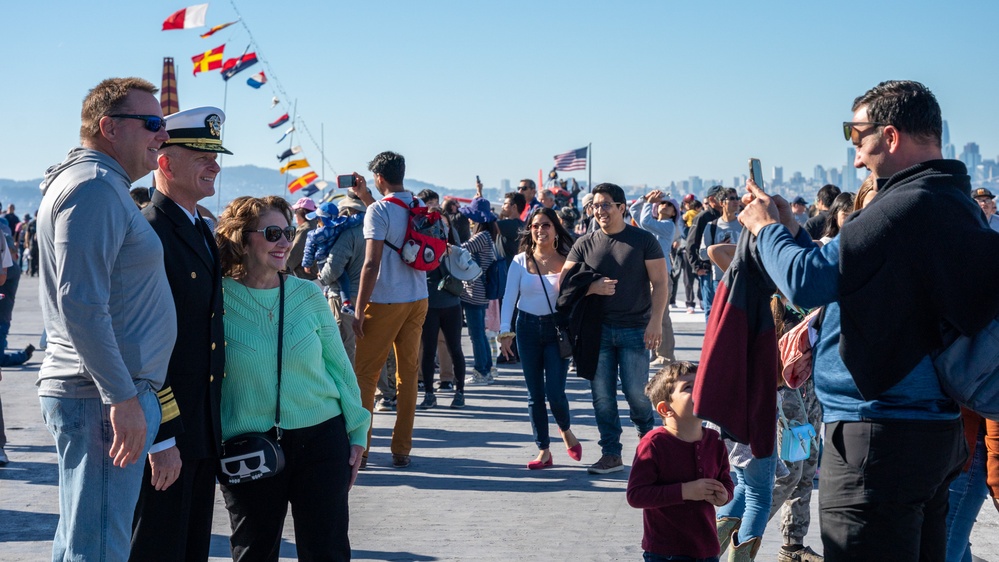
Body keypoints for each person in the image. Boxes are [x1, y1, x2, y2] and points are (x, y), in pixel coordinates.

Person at [739, 79, 999, 560]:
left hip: (877, 438)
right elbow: (854, 276)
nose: (856, 156)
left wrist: (765, 229)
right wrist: (793, 231)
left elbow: (806, 281)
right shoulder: (953, 203)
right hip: (928, 434)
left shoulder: (907, 203)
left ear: (891, 136)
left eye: (856, 136)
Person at [37, 77, 176, 561]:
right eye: (153, 124)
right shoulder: (95, 188)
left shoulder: (98, 184)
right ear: (109, 128)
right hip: (99, 396)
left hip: (100, 394)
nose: (162, 135)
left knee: (84, 539)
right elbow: (81, 303)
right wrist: (121, 398)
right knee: (97, 547)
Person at [214, 195, 369, 561]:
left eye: (288, 232)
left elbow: (340, 370)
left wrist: (358, 432)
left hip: (321, 439)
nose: (285, 242)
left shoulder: (308, 294)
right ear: (241, 238)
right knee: (253, 551)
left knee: (327, 551)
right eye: (272, 233)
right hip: (248, 446)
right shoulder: (215, 299)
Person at [129, 106, 230, 561]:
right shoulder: (150, 231)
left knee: (190, 550)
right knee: (156, 547)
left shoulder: (199, 228)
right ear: (165, 162)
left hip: (201, 429)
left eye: (216, 155)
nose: (215, 165)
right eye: (201, 155)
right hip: (168, 429)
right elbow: (142, 344)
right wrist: (163, 437)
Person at [561, 183, 668, 475]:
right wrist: (591, 287)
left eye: (606, 204)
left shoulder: (643, 240)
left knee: (637, 394)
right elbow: (564, 283)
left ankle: (650, 445)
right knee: (602, 396)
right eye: (595, 206)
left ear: (622, 207)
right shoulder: (584, 243)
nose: (600, 211)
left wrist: (656, 321)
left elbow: (660, 283)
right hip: (596, 332)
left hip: (635, 329)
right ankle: (611, 453)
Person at [351, 151, 429, 469]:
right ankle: (402, 449)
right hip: (418, 297)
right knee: (407, 375)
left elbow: (371, 264)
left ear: (379, 178)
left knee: (366, 375)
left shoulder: (379, 211)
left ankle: (362, 450)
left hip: (385, 301)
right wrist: (365, 196)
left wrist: (358, 308)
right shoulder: (420, 206)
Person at [499, 207, 581, 469]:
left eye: (546, 225)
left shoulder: (569, 259)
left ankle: (566, 431)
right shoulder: (520, 261)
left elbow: (577, 297)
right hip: (527, 328)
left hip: (556, 331)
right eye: (535, 226)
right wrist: (504, 332)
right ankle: (543, 450)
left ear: (556, 230)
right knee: (535, 394)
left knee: (555, 392)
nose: (540, 230)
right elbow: (509, 298)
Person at [627, 361, 733, 562]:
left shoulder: (715, 440)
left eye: (700, 383)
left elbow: (726, 480)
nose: (699, 390)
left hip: (708, 549)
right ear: (666, 409)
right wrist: (685, 491)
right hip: (666, 552)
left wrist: (723, 495)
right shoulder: (653, 444)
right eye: (688, 387)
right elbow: (636, 495)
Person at [630, 190, 680, 365]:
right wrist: (644, 199)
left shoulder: (668, 226)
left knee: (662, 316)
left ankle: (665, 355)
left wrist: (651, 202)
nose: (664, 206)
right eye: (662, 203)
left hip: (662, 275)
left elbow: (643, 220)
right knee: (650, 315)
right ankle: (656, 352)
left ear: (674, 213)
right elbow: (634, 212)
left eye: (669, 205)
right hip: (647, 274)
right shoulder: (652, 226)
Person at [458, 197, 499, 385]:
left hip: (475, 290)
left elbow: (460, 251)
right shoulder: (489, 236)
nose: (469, 220)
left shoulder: (480, 237)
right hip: (481, 290)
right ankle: (487, 369)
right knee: (480, 334)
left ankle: (481, 371)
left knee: (476, 335)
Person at [685, 185, 724, 320]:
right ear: (712, 199)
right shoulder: (702, 217)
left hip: (725, 269)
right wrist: (697, 267)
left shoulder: (726, 217)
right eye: (722, 196)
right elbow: (691, 243)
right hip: (707, 269)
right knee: (711, 308)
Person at [287, 197, 318, 279]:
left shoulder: (305, 230)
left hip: (305, 279)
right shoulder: (316, 226)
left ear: (301, 213)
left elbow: (293, 256)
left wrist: (280, 270)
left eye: (295, 212)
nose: (295, 215)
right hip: (314, 278)